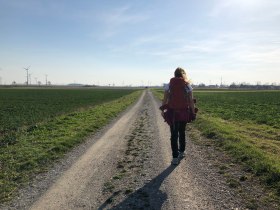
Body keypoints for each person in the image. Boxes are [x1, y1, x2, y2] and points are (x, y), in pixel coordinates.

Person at [161, 67, 196, 165]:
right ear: (183, 74)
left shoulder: (169, 85)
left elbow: (165, 99)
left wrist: (163, 110)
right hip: (184, 113)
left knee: (173, 134)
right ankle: (182, 152)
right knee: (182, 132)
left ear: (174, 74)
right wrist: (193, 112)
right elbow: (191, 101)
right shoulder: (187, 85)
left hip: (172, 113)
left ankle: (175, 158)